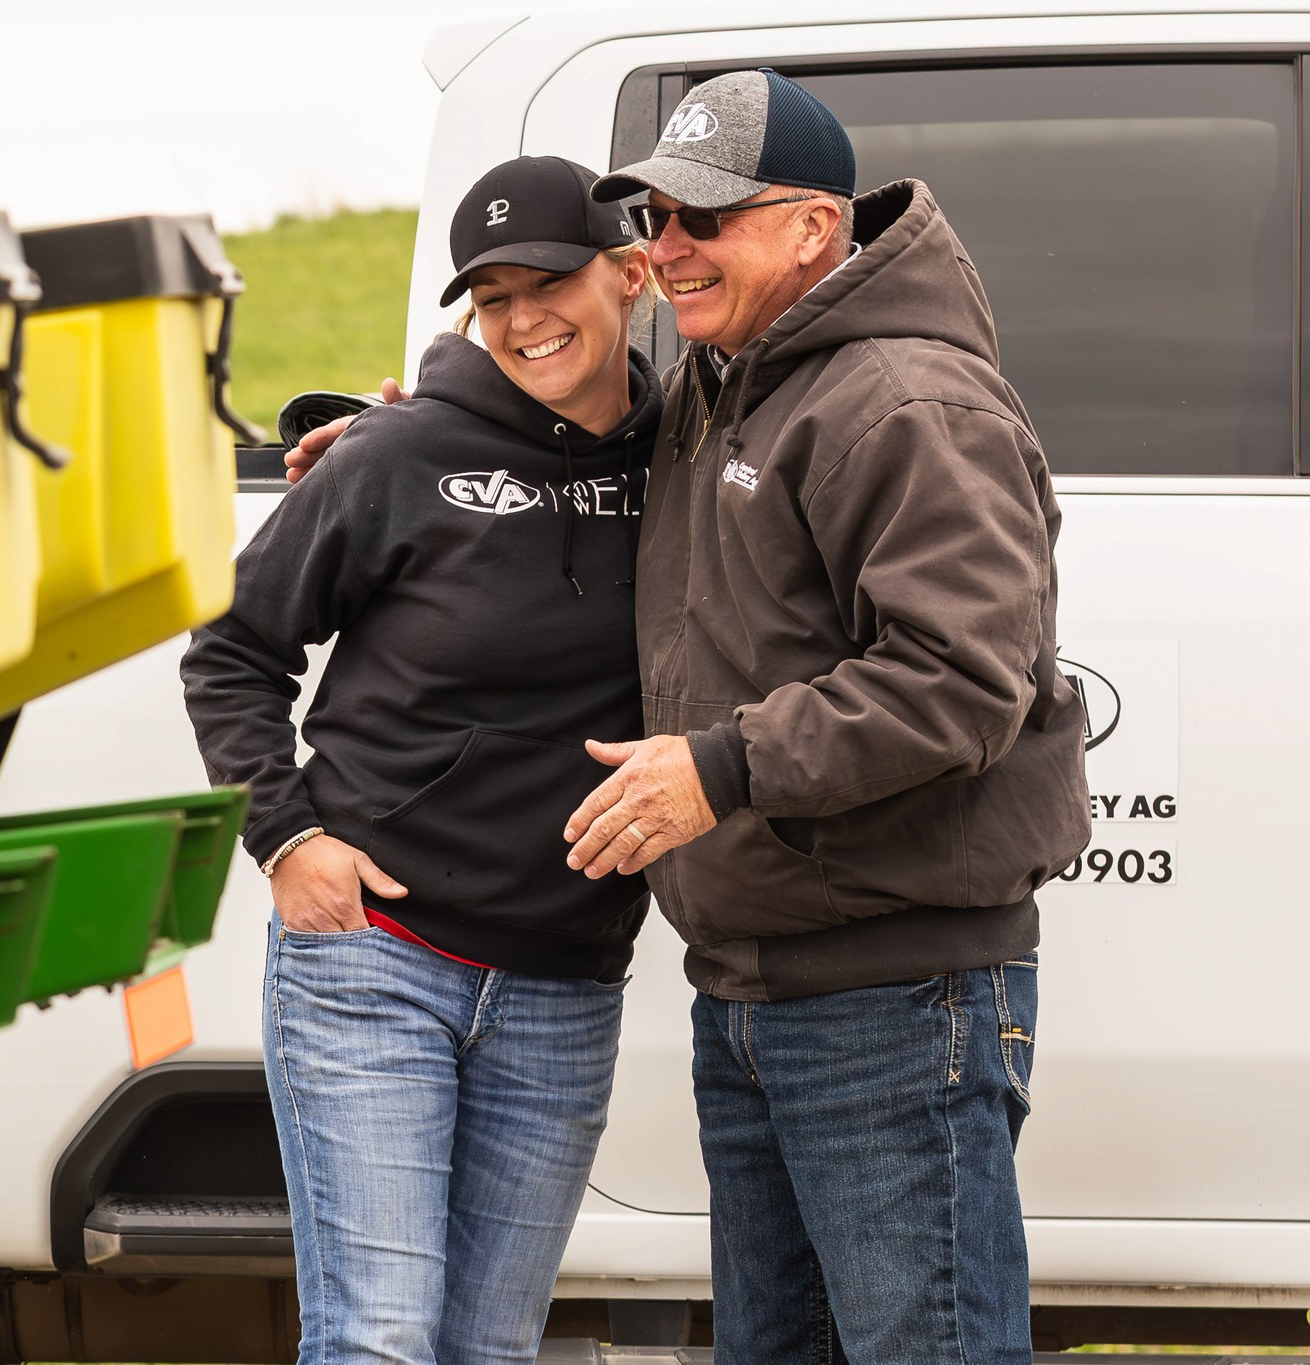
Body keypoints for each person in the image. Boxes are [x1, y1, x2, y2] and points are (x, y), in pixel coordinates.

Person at [293, 69, 1091, 1365]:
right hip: (761, 991)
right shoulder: (732, 384)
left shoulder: (903, 403)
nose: (667, 249)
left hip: (892, 994)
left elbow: (961, 677)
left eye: (704, 219)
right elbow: (563, 408)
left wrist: (721, 771)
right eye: (655, 218)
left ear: (812, 231)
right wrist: (410, 432)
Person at [180, 155, 662, 1365]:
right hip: (373, 963)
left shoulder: (689, 461)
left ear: (630, 276)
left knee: (486, 1349)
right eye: (490, 298)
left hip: (561, 979)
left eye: (546, 282)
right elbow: (232, 648)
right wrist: (288, 840)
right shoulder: (397, 456)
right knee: (380, 1341)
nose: (521, 319)